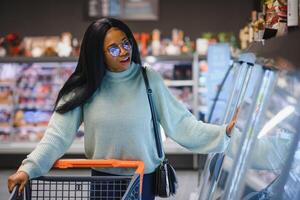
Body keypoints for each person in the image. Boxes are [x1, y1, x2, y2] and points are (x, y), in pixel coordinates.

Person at [7, 18, 238, 200]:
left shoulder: (149, 79)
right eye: (114, 48)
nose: (124, 51)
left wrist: (222, 132)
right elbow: (56, 137)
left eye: (126, 43)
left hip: (143, 179)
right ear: (99, 53)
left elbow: (181, 124)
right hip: (102, 182)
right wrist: (28, 169)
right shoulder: (85, 87)